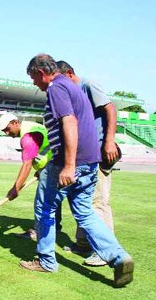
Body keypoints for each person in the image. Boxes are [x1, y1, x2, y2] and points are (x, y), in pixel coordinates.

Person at [19, 54, 133, 288]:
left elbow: (69, 122)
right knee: (85, 212)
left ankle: (46, 261)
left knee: (44, 209)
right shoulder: (73, 88)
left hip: (70, 161)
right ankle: (118, 256)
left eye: (33, 78)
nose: (34, 84)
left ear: (41, 73)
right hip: (90, 161)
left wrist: (69, 165)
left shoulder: (56, 88)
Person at [56, 60, 120, 266]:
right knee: (81, 200)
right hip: (85, 155)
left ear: (70, 73)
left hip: (100, 152)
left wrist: (109, 141)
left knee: (98, 201)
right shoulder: (72, 94)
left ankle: (105, 252)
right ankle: (83, 243)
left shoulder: (88, 85)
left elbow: (110, 109)